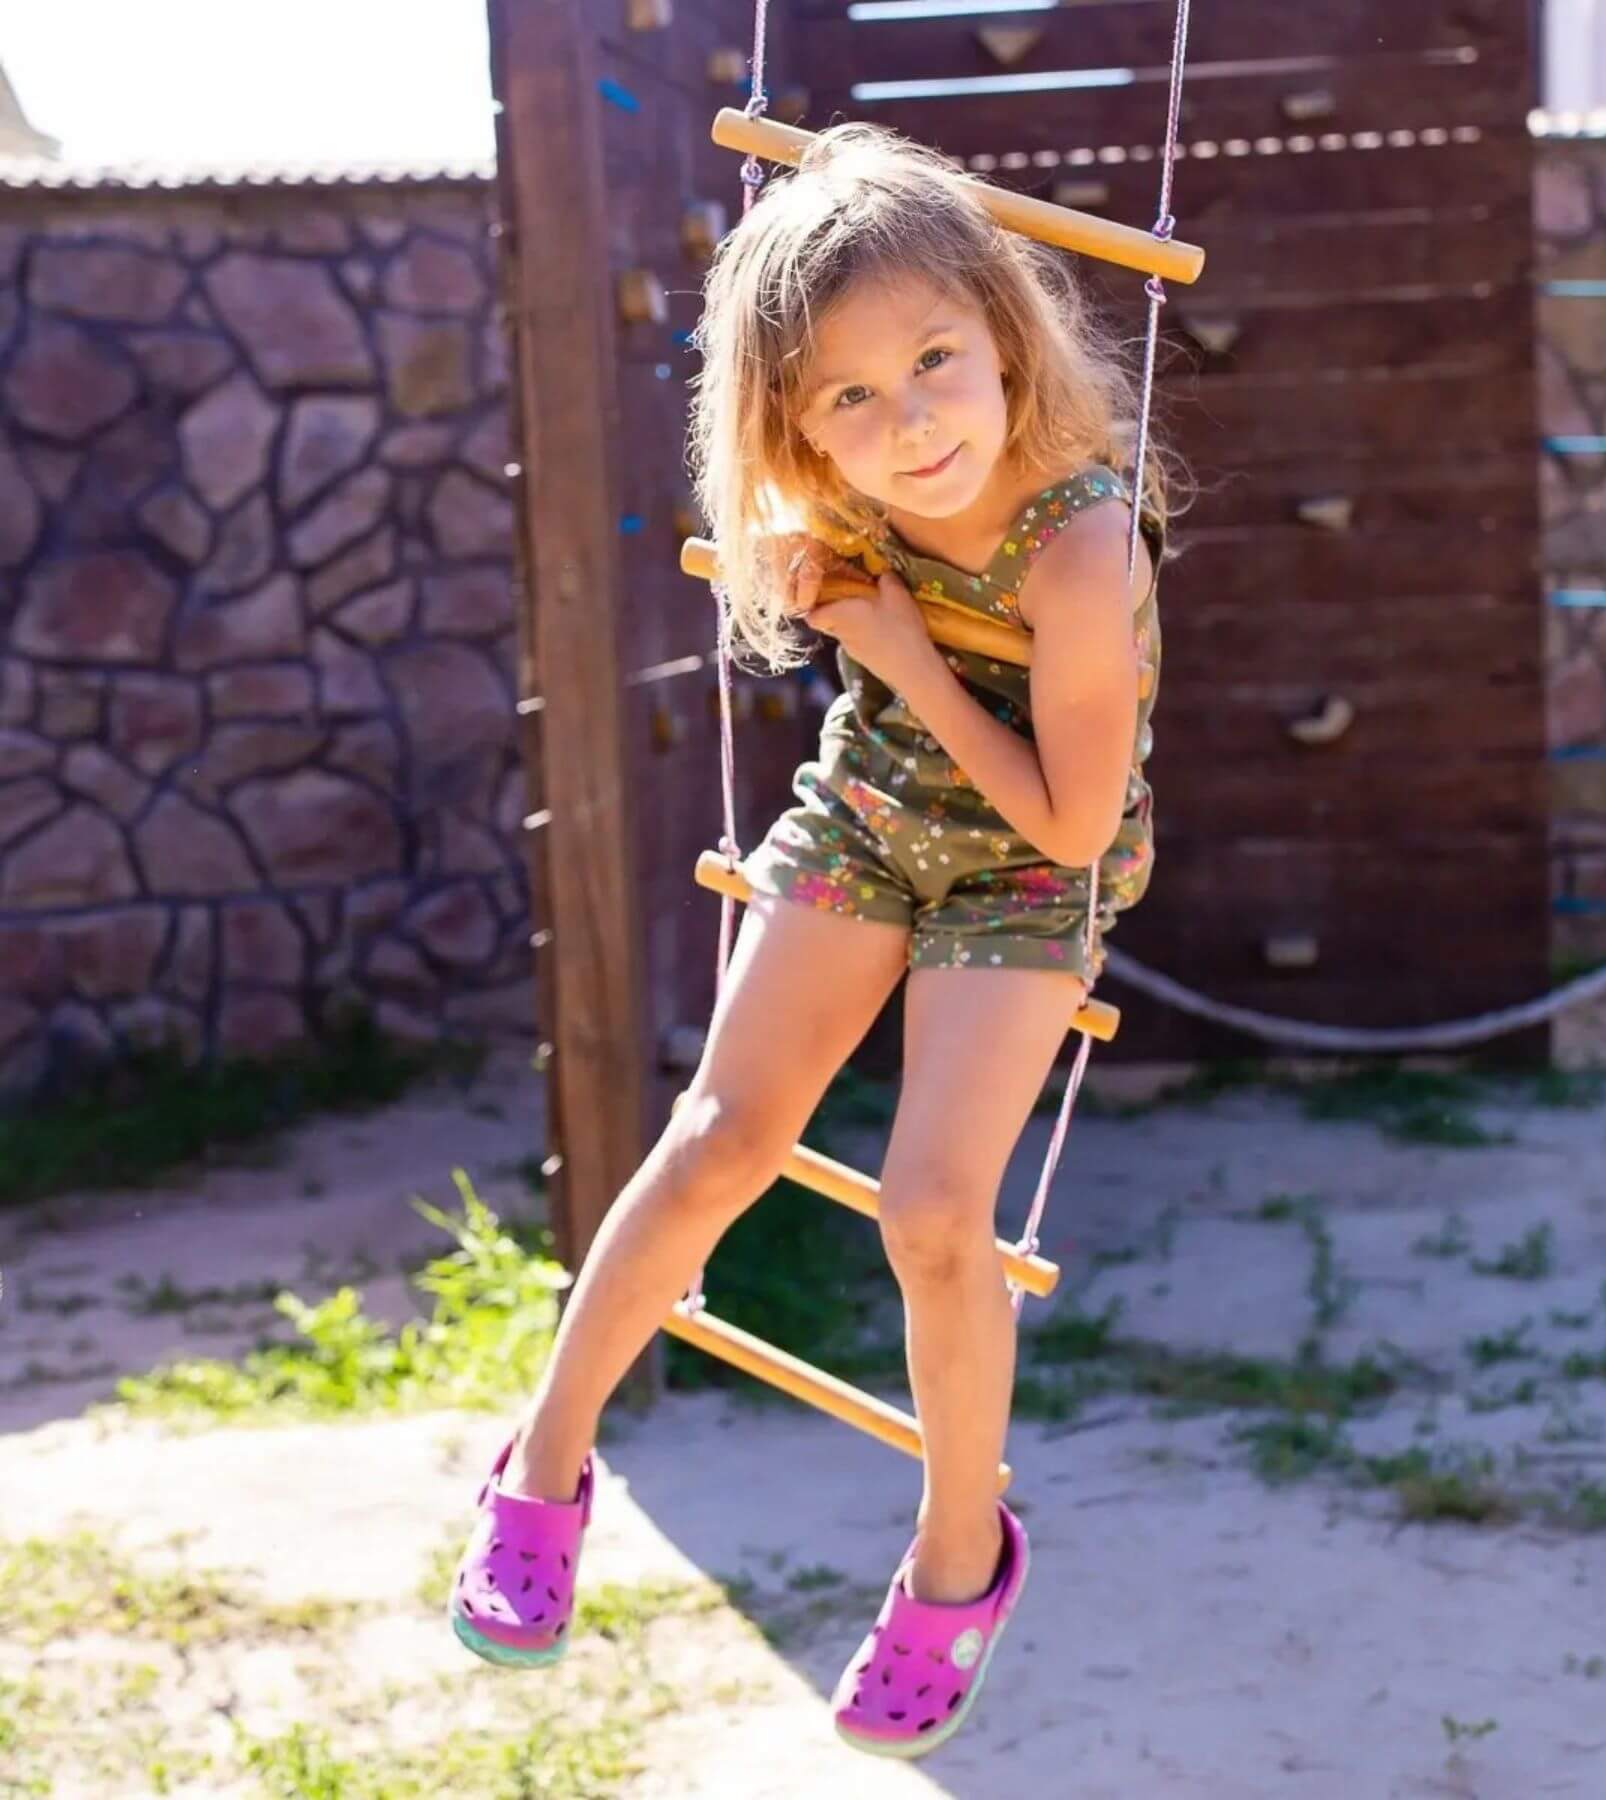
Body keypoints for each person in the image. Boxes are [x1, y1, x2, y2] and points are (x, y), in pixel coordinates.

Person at [449, 120, 1174, 1761]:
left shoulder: (1080, 542)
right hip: (871, 818)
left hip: (1030, 870)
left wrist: (902, 649)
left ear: (1002, 334)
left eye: (933, 360)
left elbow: (1065, 824)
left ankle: (958, 1560)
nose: (908, 420)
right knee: (718, 1137)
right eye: (849, 398)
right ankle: (541, 1466)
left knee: (931, 1211)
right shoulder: (856, 519)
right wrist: (869, 621)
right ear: (796, 431)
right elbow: (873, 686)